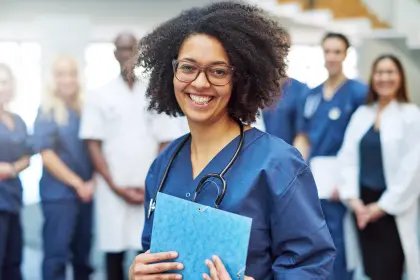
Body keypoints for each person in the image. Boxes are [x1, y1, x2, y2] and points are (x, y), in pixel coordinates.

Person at [128, 3, 336, 279]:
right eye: (188, 67)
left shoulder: (278, 164)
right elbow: (152, 251)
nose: (200, 83)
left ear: (241, 79)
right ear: (171, 73)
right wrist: (139, 271)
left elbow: (312, 267)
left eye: (218, 71)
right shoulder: (162, 166)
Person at [79, 32, 185, 280]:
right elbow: (92, 144)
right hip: (112, 188)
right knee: (113, 251)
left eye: (131, 49)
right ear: (114, 53)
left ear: (138, 53)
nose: (126, 54)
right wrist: (116, 186)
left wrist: (148, 183)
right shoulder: (99, 95)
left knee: (146, 251)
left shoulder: (154, 92)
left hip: (147, 189)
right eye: (122, 49)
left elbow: (165, 139)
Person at [337, 54, 420, 280]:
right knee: (369, 271)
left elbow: (413, 169)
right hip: (361, 207)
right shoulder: (363, 114)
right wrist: (355, 202)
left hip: (391, 210)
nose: (384, 77)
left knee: (389, 271)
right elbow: (347, 157)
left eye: (390, 72)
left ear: (401, 77)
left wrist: (380, 207)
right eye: (379, 72)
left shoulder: (411, 115)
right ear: (372, 77)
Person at [293, 32, 367, 280]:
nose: (332, 57)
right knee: (315, 234)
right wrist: (299, 173)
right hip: (316, 173)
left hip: (342, 173)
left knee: (340, 236)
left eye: (337, 52)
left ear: (345, 55)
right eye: (328, 51)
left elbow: (362, 143)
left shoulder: (358, 93)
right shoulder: (311, 95)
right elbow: (303, 136)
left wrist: (346, 183)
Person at [32, 55, 95, 280]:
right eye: (61, 74)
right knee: (56, 257)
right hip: (59, 195)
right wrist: (79, 184)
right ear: (53, 78)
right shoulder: (47, 111)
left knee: (83, 258)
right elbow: (47, 155)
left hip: (87, 194)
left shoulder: (85, 109)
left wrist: (92, 183)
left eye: (71, 73)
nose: (67, 79)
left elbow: (95, 149)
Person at [0, 64, 31, 280]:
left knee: (14, 260)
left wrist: (11, 168)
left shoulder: (17, 120)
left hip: (12, 197)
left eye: (4, 81)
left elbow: (27, 157)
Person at [262, 30, 310, 144]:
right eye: (272, 46)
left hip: (286, 156)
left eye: (282, 47)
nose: (277, 52)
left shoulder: (301, 91)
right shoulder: (252, 90)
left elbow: (302, 135)